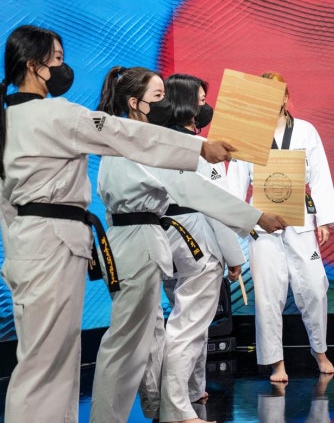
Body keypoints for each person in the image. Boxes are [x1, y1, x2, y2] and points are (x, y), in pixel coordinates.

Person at [0, 25, 234, 423]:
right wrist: (199, 147)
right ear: (34, 66)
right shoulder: (57, 114)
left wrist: (14, 257)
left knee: (46, 358)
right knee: (48, 362)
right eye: (56, 59)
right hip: (56, 246)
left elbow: (6, 205)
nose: (63, 67)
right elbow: (128, 135)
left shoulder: (10, 121)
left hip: (27, 247)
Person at [89, 67, 286, 423]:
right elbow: (195, 190)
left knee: (148, 335)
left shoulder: (125, 140)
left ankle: (159, 407)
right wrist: (255, 218)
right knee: (132, 343)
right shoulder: (140, 143)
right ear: (135, 104)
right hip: (139, 242)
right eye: (158, 97)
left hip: (132, 241)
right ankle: (172, 411)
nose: (166, 104)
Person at [153, 73, 255, 423]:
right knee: (190, 325)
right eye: (199, 100)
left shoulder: (156, 143)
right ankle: (176, 407)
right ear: (183, 103)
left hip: (165, 239)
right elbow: (219, 205)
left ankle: (193, 390)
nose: (204, 107)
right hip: (197, 237)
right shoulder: (198, 149)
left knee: (184, 319)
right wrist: (234, 258)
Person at [246, 71, 334, 382]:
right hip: (261, 223)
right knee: (268, 294)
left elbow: (321, 176)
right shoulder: (251, 135)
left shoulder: (306, 131)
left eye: (277, 94)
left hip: (299, 218)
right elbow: (236, 183)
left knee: (315, 286)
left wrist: (323, 219)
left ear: (285, 98)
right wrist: (242, 221)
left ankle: (319, 350)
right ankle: (276, 362)